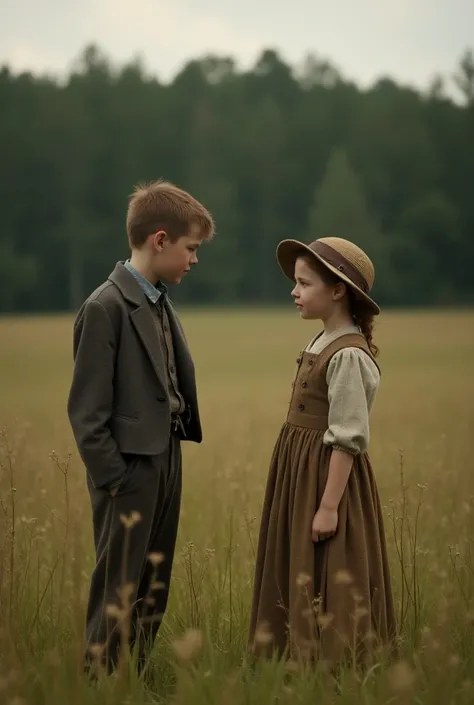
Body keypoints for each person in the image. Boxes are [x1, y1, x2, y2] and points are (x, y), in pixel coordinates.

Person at [67, 180, 215, 674]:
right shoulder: (104, 307)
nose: (194, 260)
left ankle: (135, 678)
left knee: (154, 582)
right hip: (127, 469)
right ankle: (97, 684)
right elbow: (87, 414)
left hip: (165, 456)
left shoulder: (159, 300)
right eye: (190, 248)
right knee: (118, 586)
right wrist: (114, 478)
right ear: (159, 240)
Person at [249, 236, 396, 666]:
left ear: (337, 291)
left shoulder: (348, 355)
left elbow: (348, 437)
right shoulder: (321, 338)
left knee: (331, 568)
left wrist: (329, 505)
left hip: (327, 477)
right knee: (297, 561)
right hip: (302, 472)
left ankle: (335, 664)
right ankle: (290, 658)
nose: (293, 292)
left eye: (303, 283)